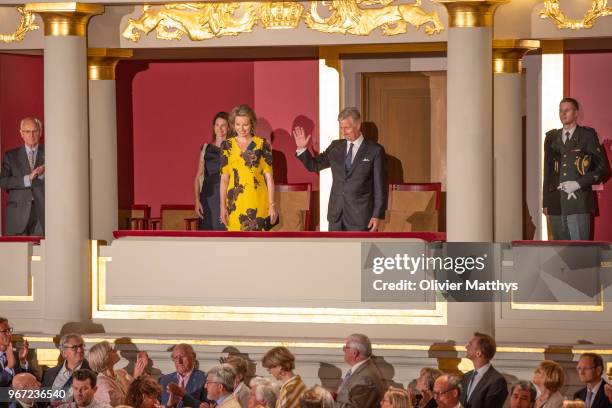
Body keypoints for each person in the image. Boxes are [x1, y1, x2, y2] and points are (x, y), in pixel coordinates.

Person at [293, 107, 386, 231]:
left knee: (357, 251)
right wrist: (302, 149)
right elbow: (314, 165)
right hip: (336, 216)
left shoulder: (375, 151)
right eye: (341, 128)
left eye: (346, 127)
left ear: (358, 125)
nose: (343, 132)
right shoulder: (335, 147)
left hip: (361, 218)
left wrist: (377, 215)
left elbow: (380, 187)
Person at [542, 97, 610, 240]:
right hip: (556, 203)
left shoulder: (587, 135)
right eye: (561, 110)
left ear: (576, 113)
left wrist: (578, 183)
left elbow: (603, 169)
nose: (563, 114)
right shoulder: (551, 137)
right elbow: (547, 172)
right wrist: (546, 202)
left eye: (567, 110)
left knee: (579, 252)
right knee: (559, 253)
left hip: (579, 202)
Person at [219, 104, 277, 231]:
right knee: (235, 245)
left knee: (258, 246)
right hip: (235, 204)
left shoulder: (263, 144)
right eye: (238, 124)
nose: (241, 128)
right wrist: (222, 206)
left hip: (258, 202)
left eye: (245, 124)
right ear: (233, 124)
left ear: (252, 124)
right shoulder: (226, 145)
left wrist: (271, 205)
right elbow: (224, 179)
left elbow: (269, 177)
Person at [0, 117, 45, 236]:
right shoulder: (10, 156)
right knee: (16, 253)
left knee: (42, 253)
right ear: (21, 133)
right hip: (17, 214)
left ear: (40, 132)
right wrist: (27, 179)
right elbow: (3, 182)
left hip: (43, 214)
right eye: (27, 131)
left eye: (34, 131)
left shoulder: (51, 153)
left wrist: (44, 175)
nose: (31, 135)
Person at [194, 112, 230, 231]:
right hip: (207, 197)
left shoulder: (233, 149)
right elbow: (198, 176)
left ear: (228, 127)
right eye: (217, 125)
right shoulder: (206, 148)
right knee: (207, 234)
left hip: (225, 197)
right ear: (213, 127)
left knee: (224, 235)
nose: (220, 128)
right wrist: (197, 200)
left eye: (223, 125)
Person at [88, 341, 148, 406]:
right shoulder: (101, 384)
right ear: (104, 358)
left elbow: (139, 390)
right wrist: (136, 377)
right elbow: (126, 403)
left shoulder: (121, 373)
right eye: (111, 350)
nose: (115, 350)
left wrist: (142, 366)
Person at [335, 333, 386, 408]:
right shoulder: (363, 368)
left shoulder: (366, 379)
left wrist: (326, 402)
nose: (344, 350)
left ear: (355, 353)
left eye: (346, 348)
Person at [460, 332, 507, 408]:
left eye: (470, 344)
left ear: (478, 353)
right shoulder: (466, 377)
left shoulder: (497, 381)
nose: (466, 347)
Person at [42, 333, 90, 404]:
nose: (80, 350)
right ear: (64, 352)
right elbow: (43, 400)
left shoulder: (92, 374)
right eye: (74, 347)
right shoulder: (49, 373)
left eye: (81, 346)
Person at [158, 343, 208, 408]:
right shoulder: (164, 380)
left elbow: (207, 406)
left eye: (183, 356)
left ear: (194, 356)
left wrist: (184, 396)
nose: (179, 361)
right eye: (175, 357)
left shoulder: (204, 379)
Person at [0, 317, 30, 387]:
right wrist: (9, 366)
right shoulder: (11, 359)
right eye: (4, 331)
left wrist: (22, 361)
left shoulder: (15, 355)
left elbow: (27, 382)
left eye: (9, 330)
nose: (9, 334)